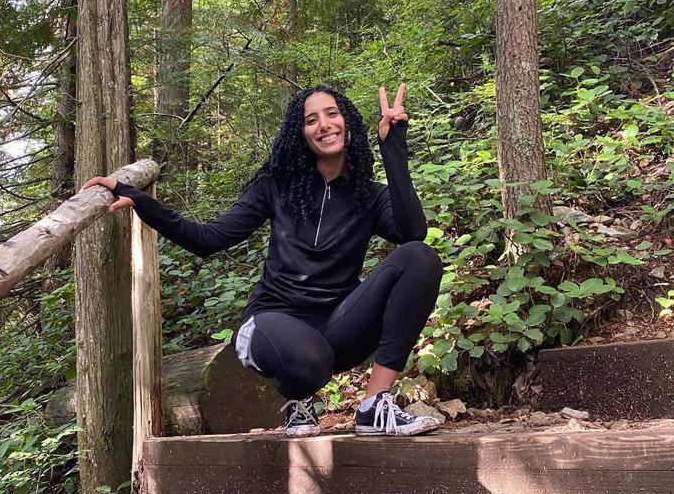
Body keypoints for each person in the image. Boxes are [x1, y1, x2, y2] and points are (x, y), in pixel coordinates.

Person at [82, 83, 443, 438]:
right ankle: (299, 400)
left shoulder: (369, 196)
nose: (324, 125)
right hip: (271, 324)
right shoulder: (276, 186)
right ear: (300, 134)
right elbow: (208, 239)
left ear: (347, 124)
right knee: (309, 359)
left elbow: (412, 231)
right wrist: (141, 202)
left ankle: (373, 405)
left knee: (419, 257)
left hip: (337, 329)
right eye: (311, 119)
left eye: (332, 114)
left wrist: (392, 145)